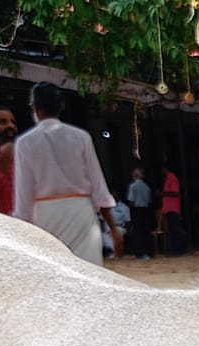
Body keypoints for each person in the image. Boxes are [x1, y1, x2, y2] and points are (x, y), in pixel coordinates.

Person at [13, 82, 121, 262]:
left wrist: (21, 231)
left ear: (35, 108)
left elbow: (23, 197)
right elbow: (99, 188)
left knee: (55, 275)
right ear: (60, 107)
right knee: (89, 273)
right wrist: (113, 229)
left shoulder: (25, 142)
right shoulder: (81, 137)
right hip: (81, 213)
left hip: (45, 215)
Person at [125, 167, 154, 258]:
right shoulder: (147, 187)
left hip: (137, 210)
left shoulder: (133, 186)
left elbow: (131, 200)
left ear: (135, 175)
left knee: (138, 232)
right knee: (146, 231)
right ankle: (149, 252)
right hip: (146, 210)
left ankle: (140, 253)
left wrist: (131, 209)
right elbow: (149, 201)